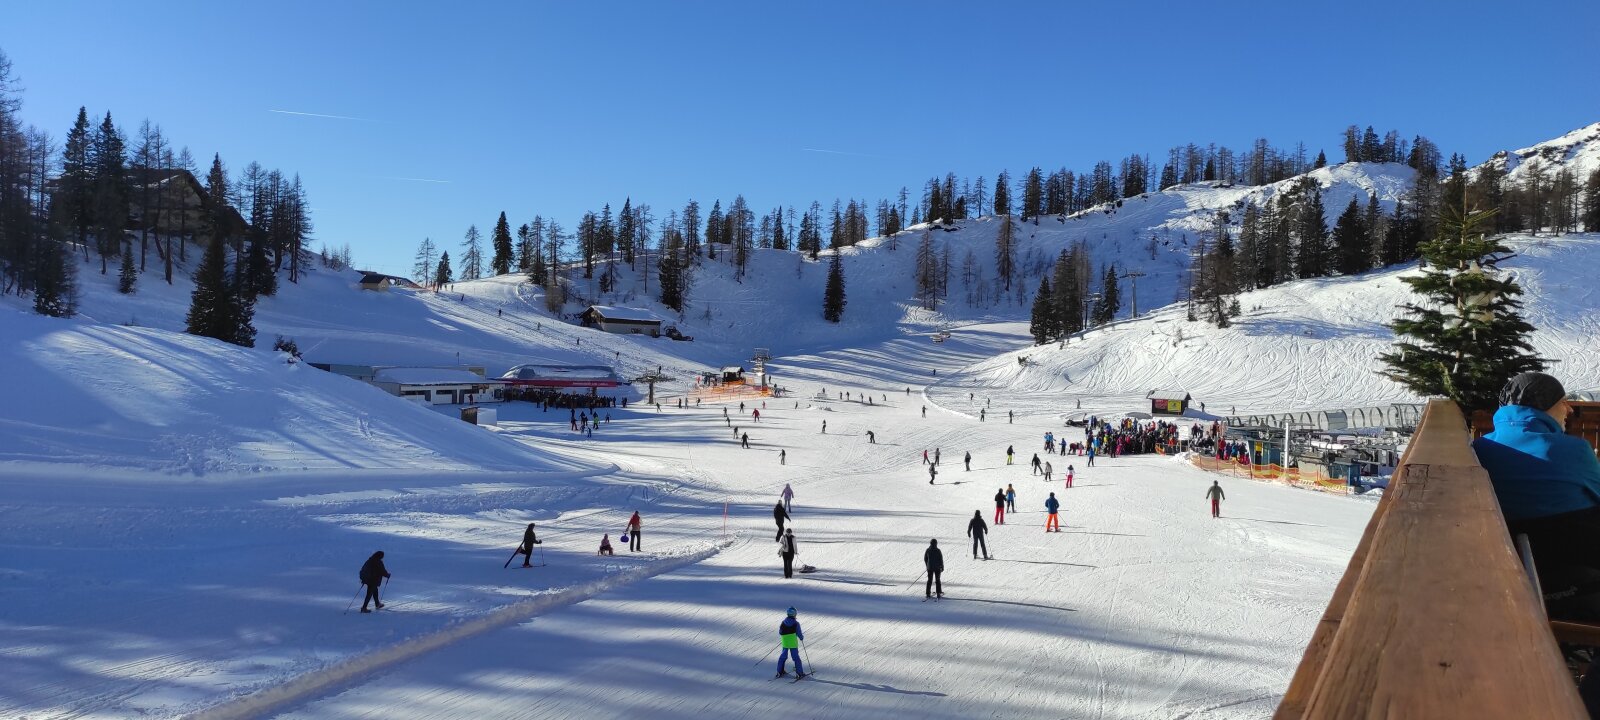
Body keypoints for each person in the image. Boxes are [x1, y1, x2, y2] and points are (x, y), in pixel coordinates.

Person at [1475, 372, 1600, 623]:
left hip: (1510, 574)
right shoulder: (1573, 451)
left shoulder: (1480, 450)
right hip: (1578, 576)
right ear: (1544, 406)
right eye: (1563, 402)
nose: (1569, 410)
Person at [776, 607, 806, 678]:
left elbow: (780, 632)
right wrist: (801, 638)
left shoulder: (783, 622)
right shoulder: (796, 623)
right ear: (794, 614)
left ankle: (779, 671)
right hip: (793, 643)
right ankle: (799, 673)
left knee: (783, 656)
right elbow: (799, 633)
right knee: (795, 657)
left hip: (785, 643)